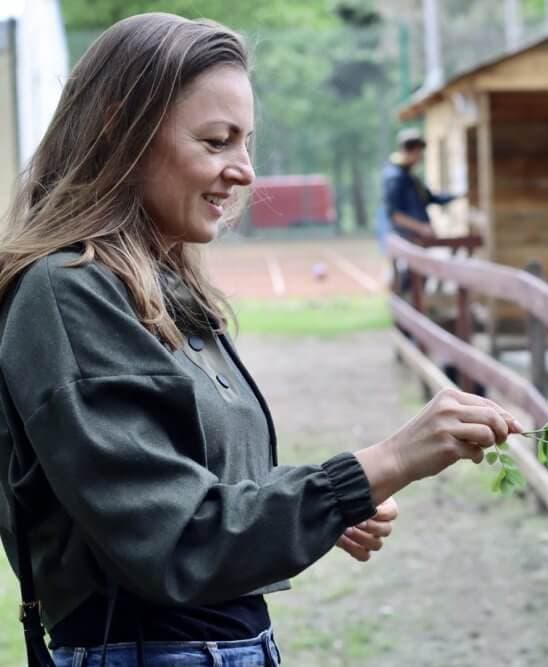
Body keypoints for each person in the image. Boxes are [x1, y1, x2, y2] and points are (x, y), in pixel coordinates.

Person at [0, 13, 521, 667]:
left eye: (246, 142)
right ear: (117, 127)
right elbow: (175, 540)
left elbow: (193, 486)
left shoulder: (161, 285)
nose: (244, 171)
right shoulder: (67, 291)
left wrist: (319, 506)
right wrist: (385, 461)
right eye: (217, 141)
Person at [381, 128, 457, 245]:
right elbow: (395, 214)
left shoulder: (410, 177)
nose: (420, 157)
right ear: (406, 151)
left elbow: (430, 198)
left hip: (416, 238)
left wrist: (457, 194)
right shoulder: (394, 177)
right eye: (418, 152)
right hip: (405, 239)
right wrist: (421, 228)